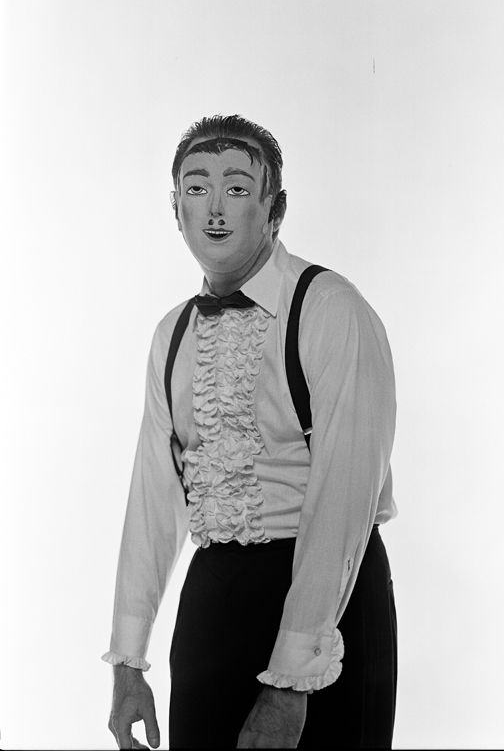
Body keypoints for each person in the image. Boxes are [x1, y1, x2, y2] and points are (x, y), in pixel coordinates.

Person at [102, 114, 398, 749]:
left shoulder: (330, 308)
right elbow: (154, 497)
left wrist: (291, 683)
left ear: (275, 209)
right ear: (175, 208)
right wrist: (128, 661)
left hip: (328, 604)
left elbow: (344, 502)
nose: (214, 209)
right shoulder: (172, 334)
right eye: (196, 188)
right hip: (213, 598)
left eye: (237, 188)